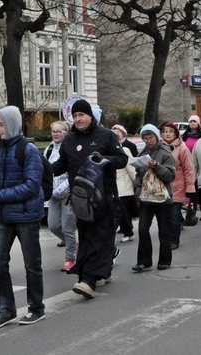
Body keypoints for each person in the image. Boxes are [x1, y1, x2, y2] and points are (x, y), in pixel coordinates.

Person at [51, 99, 127, 299]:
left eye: (81, 115)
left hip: (102, 196)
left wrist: (105, 159)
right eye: (75, 116)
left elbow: (122, 160)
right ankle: (101, 271)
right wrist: (40, 165)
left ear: (90, 116)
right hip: (79, 200)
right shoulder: (69, 140)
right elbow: (60, 166)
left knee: (99, 237)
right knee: (86, 237)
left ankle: (88, 280)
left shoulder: (106, 136)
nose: (78, 119)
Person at [0, 106, 46, 329]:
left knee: (32, 264)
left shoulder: (28, 150)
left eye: (1, 125)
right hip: (4, 217)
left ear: (10, 124)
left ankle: (36, 308)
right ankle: (6, 311)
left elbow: (31, 186)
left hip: (27, 215)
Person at [132, 124, 175, 271]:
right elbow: (138, 174)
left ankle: (164, 260)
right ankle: (144, 261)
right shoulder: (143, 153)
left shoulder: (165, 152)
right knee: (143, 229)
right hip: (146, 197)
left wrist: (157, 166)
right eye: (145, 138)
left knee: (164, 230)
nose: (148, 141)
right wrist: (137, 188)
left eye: (151, 137)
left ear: (156, 137)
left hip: (163, 198)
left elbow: (170, 176)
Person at [44, 121, 78, 271]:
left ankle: (71, 258)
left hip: (67, 194)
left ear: (66, 132)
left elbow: (73, 172)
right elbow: (46, 170)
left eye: (59, 131)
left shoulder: (71, 148)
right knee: (53, 226)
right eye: (54, 131)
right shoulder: (49, 149)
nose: (56, 134)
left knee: (67, 227)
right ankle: (74, 244)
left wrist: (62, 190)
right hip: (53, 195)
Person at [160, 122, 195, 250]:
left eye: (170, 131)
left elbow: (189, 169)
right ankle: (167, 238)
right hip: (162, 188)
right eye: (165, 131)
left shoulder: (182, 148)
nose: (167, 134)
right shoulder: (160, 147)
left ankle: (174, 240)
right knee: (165, 217)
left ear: (176, 134)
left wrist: (190, 188)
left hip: (177, 186)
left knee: (174, 216)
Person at [112, 129, 137, 243]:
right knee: (121, 212)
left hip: (123, 185)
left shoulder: (125, 150)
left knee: (119, 211)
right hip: (113, 187)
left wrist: (136, 182)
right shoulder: (108, 152)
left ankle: (122, 232)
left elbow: (131, 167)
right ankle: (128, 231)